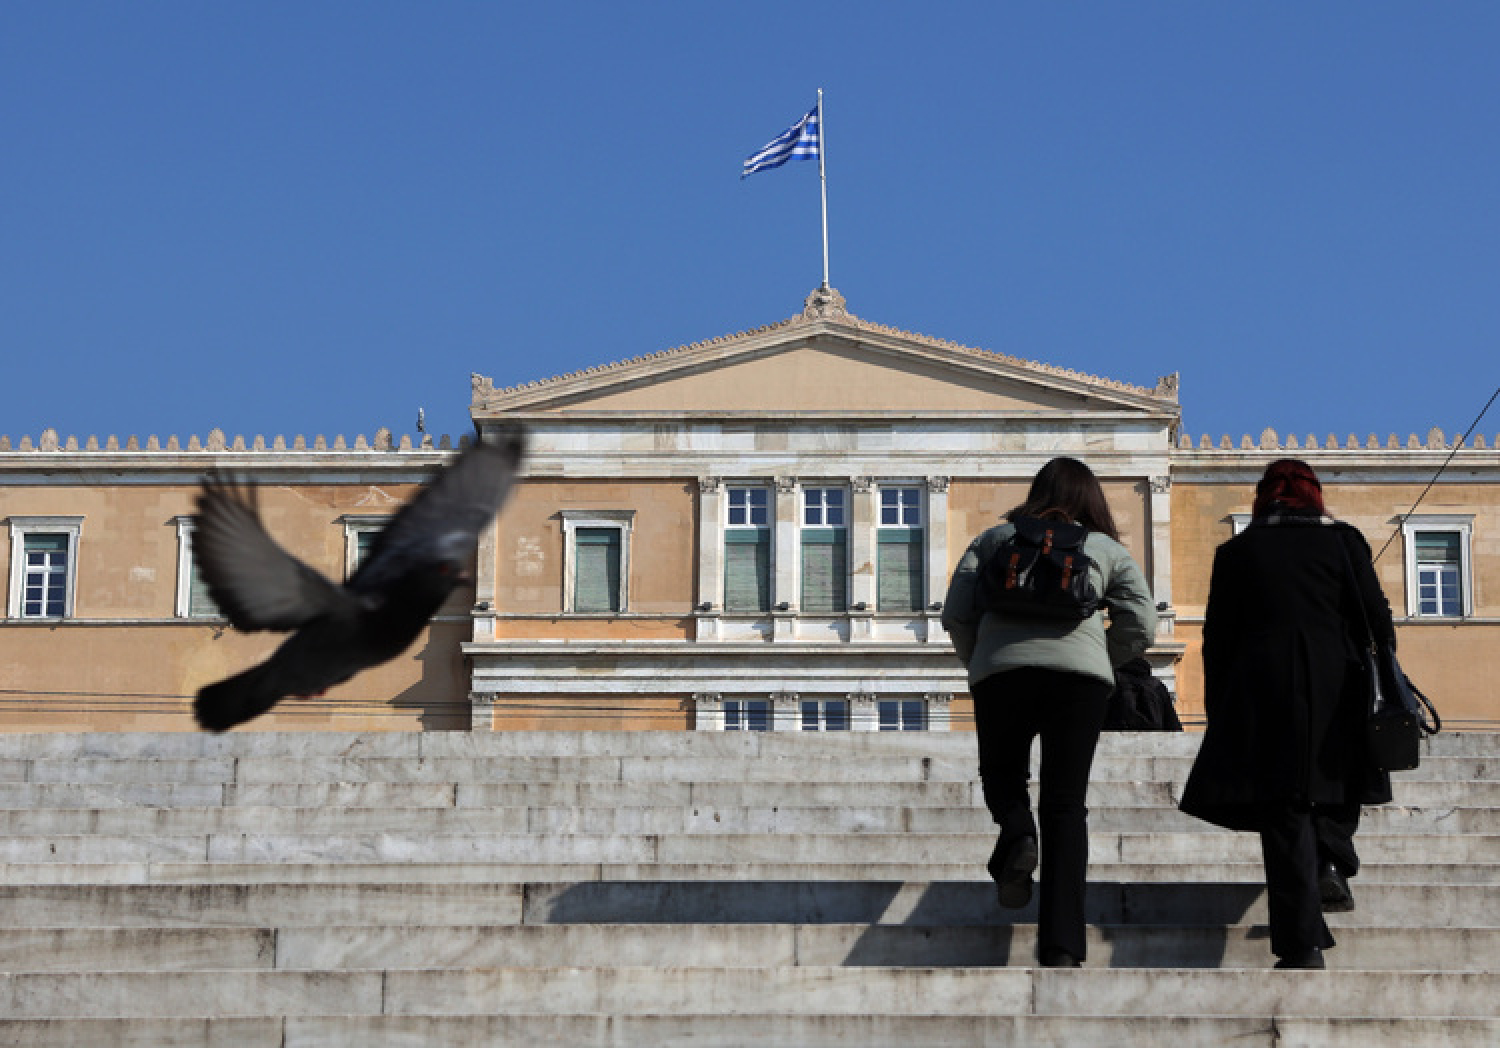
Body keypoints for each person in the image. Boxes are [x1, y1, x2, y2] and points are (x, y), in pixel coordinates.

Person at [1179, 458, 1394, 970]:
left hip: (1262, 687)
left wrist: (1220, 707)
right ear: (1315, 495)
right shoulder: (1344, 541)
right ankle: (1331, 856)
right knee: (1339, 782)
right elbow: (1378, 619)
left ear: (1262, 499)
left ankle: (1302, 949)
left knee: (1284, 811)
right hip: (1338, 683)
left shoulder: (1236, 551)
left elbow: (1218, 637)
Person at [942, 457, 1157, 968]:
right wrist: (1103, 659)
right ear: (1092, 500)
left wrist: (982, 662)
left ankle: (1017, 833)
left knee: (1002, 772)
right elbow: (1141, 624)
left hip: (1003, 674)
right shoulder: (1104, 548)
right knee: (1065, 806)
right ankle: (1062, 947)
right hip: (1077, 682)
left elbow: (956, 613)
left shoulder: (995, 540)